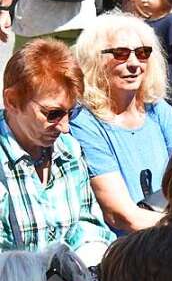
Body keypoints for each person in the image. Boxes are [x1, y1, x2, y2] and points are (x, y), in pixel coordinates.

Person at [70, 12, 172, 234]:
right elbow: (121, 215)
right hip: (125, 249)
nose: (134, 63)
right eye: (120, 54)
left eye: (142, 53)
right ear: (93, 59)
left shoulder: (158, 109)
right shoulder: (85, 122)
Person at [1, 40, 113, 263]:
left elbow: (88, 226)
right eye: (53, 114)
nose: (65, 127)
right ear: (12, 101)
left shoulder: (68, 149)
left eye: (72, 112)